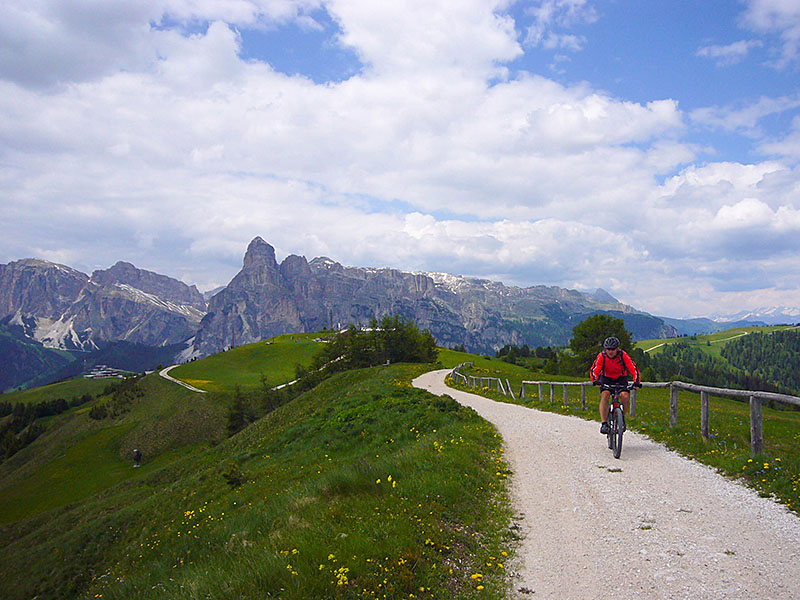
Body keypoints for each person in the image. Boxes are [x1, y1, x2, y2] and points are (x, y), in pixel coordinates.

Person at [590, 336, 641, 434]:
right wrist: (595, 380)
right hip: (606, 378)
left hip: (621, 379)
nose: (610, 351)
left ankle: (621, 418)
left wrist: (636, 382)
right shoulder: (602, 356)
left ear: (617, 348)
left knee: (625, 396)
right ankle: (604, 423)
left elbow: (633, 369)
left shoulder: (623, 355)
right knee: (605, 395)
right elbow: (594, 370)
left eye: (612, 349)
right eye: (608, 349)